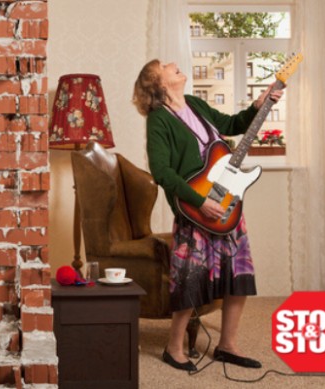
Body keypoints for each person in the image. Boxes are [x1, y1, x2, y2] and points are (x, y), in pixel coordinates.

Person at [133, 60, 283, 371]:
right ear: (157, 83)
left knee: (238, 273)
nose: (173, 64)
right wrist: (199, 201)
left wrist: (258, 105)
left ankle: (227, 345)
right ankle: (174, 347)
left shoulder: (197, 104)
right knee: (190, 278)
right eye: (164, 65)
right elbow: (161, 171)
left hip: (226, 204)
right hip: (195, 208)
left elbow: (231, 124)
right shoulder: (159, 120)